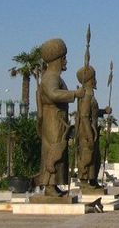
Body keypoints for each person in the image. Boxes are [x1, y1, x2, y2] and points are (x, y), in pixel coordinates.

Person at [36, 38, 84, 197]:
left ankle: (54, 185)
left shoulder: (54, 77)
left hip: (58, 120)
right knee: (54, 150)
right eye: (64, 58)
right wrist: (75, 94)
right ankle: (49, 185)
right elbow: (53, 94)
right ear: (57, 59)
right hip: (53, 120)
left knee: (59, 151)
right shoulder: (51, 77)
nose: (65, 61)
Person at [75, 65, 111, 189]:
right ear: (90, 80)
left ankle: (93, 179)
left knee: (95, 157)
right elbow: (84, 116)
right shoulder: (86, 95)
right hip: (87, 132)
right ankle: (84, 181)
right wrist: (90, 134)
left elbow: (93, 112)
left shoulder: (91, 95)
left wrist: (104, 111)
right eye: (94, 78)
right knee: (87, 156)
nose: (96, 81)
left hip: (93, 130)